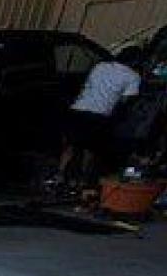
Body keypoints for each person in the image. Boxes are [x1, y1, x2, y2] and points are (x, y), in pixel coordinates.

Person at [58, 47, 143, 184]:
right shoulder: (133, 76)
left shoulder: (100, 66)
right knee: (90, 149)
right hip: (100, 114)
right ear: (135, 61)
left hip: (78, 108)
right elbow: (126, 101)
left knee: (70, 146)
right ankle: (82, 180)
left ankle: (60, 175)